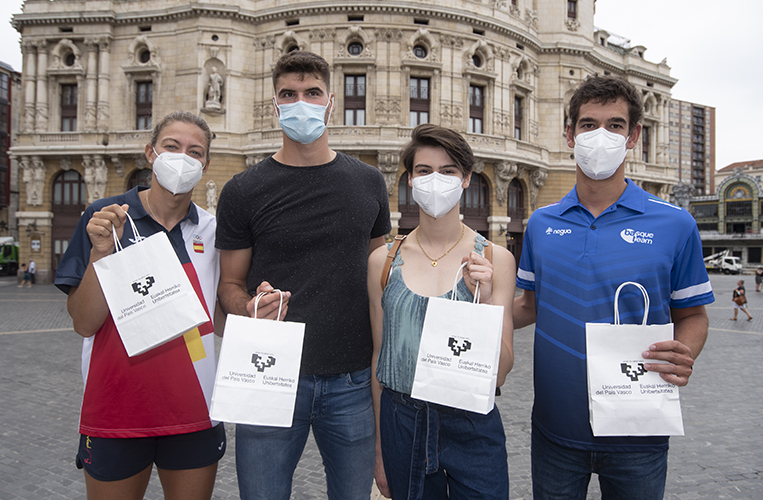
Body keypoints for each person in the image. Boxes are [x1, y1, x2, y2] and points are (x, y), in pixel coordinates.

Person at [512, 75, 714, 500]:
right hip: (555, 431)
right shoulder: (541, 224)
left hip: (639, 432)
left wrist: (684, 352)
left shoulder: (676, 224)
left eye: (614, 125)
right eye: (588, 124)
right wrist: (455, 310)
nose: (600, 135)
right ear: (570, 134)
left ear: (633, 136)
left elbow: (693, 315)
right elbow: (528, 306)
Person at [215, 51, 392, 500]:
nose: (301, 103)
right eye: (289, 94)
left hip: (353, 382)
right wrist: (248, 306)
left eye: (312, 93)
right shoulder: (242, 190)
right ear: (275, 105)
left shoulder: (369, 182)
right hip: (268, 376)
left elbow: (380, 276)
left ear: (331, 102)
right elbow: (229, 286)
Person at [54, 111, 225, 500]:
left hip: (194, 408)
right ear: (151, 153)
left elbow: (217, 318)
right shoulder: (105, 218)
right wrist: (101, 254)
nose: (182, 158)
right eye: (172, 146)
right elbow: (84, 323)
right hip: (116, 409)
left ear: (205, 165)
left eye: (194, 152)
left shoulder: (212, 230)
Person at [367, 124, 516, 499]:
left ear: (466, 179)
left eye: (448, 171)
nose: (435, 180)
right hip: (402, 422)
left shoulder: (496, 259)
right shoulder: (383, 261)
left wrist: (483, 302)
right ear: (410, 180)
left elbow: (501, 370)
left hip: (472, 422)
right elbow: (379, 358)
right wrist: (381, 449)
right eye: (424, 170)